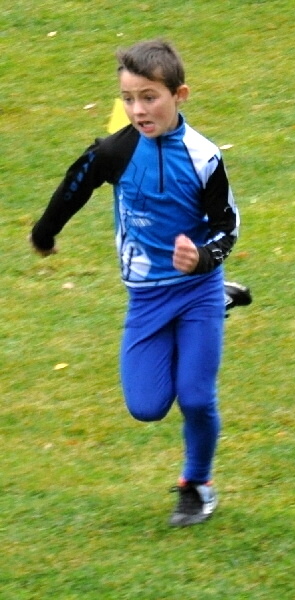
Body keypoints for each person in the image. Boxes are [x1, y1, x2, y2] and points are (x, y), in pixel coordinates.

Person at [29, 39, 248, 527]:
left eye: (150, 97)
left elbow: (228, 226)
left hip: (196, 289)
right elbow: (76, 183)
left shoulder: (204, 156)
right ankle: (221, 303)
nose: (138, 110)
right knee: (146, 407)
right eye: (128, 99)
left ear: (179, 95)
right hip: (147, 297)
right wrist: (45, 233)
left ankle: (197, 484)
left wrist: (203, 258)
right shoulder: (117, 149)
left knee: (195, 397)